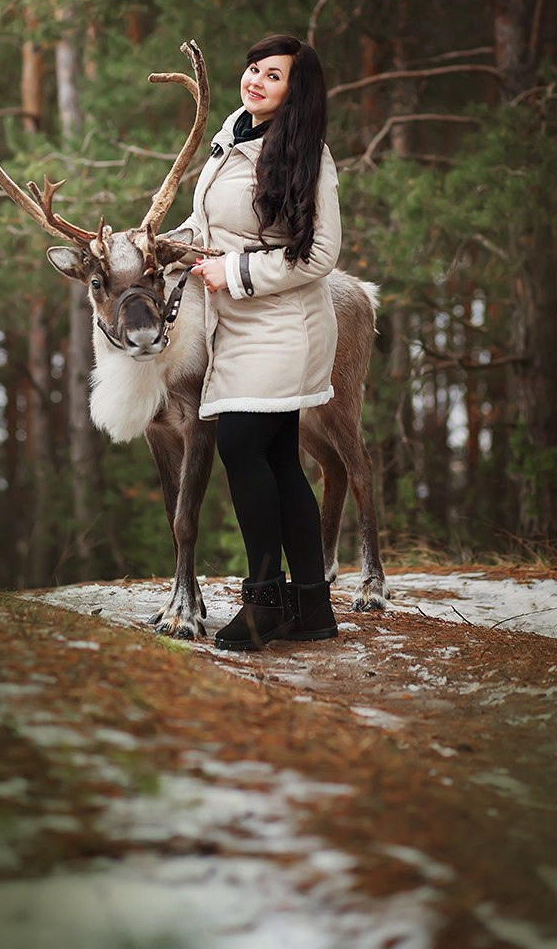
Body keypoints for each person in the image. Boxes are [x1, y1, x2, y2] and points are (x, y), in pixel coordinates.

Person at [175, 33, 342, 651]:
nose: (256, 81)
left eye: (273, 75)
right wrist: (160, 246)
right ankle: (313, 610)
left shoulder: (307, 154)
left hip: (284, 324)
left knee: (242, 445)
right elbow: (212, 224)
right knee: (277, 461)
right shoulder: (233, 135)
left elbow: (321, 254)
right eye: (253, 68)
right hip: (238, 322)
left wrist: (236, 274)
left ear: (296, 90)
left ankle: (264, 602)